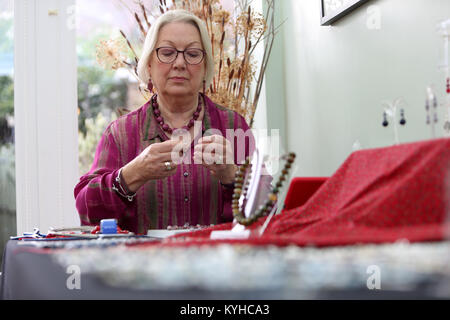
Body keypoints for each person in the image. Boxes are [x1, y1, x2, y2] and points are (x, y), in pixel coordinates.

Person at [74, 9, 254, 234]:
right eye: (167, 52)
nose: (180, 63)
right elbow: (85, 210)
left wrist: (233, 176)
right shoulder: (121, 133)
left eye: (193, 54)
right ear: (149, 64)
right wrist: (132, 174)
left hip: (217, 264)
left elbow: (269, 212)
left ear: (206, 66)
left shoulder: (233, 126)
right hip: (142, 266)